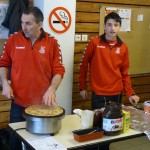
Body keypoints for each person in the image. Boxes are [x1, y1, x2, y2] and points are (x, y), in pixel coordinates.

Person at [0, 6, 65, 149]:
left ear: (40, 24)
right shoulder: (13, 40)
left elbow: (59, 71)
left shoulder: (52, 43)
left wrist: (52, 89)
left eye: (28, 23)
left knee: (39, 144)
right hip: (18, 102)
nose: (24, 27)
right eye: (22, 22)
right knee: (15, 142)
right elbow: (3, 64)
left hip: (43, 105)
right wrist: (5, 83)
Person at [79, 12, 139, 110]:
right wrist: (82, 87)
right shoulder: (94, 43)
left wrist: (130, 93)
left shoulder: (123, 47)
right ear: (104, 26)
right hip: (98, 94)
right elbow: (83, 66)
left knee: (115, 123)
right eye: (109, 25)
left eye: (116, 25)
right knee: (99, 123)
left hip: (116, 94)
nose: (112, 28)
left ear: (120, 27)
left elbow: (125, 73)